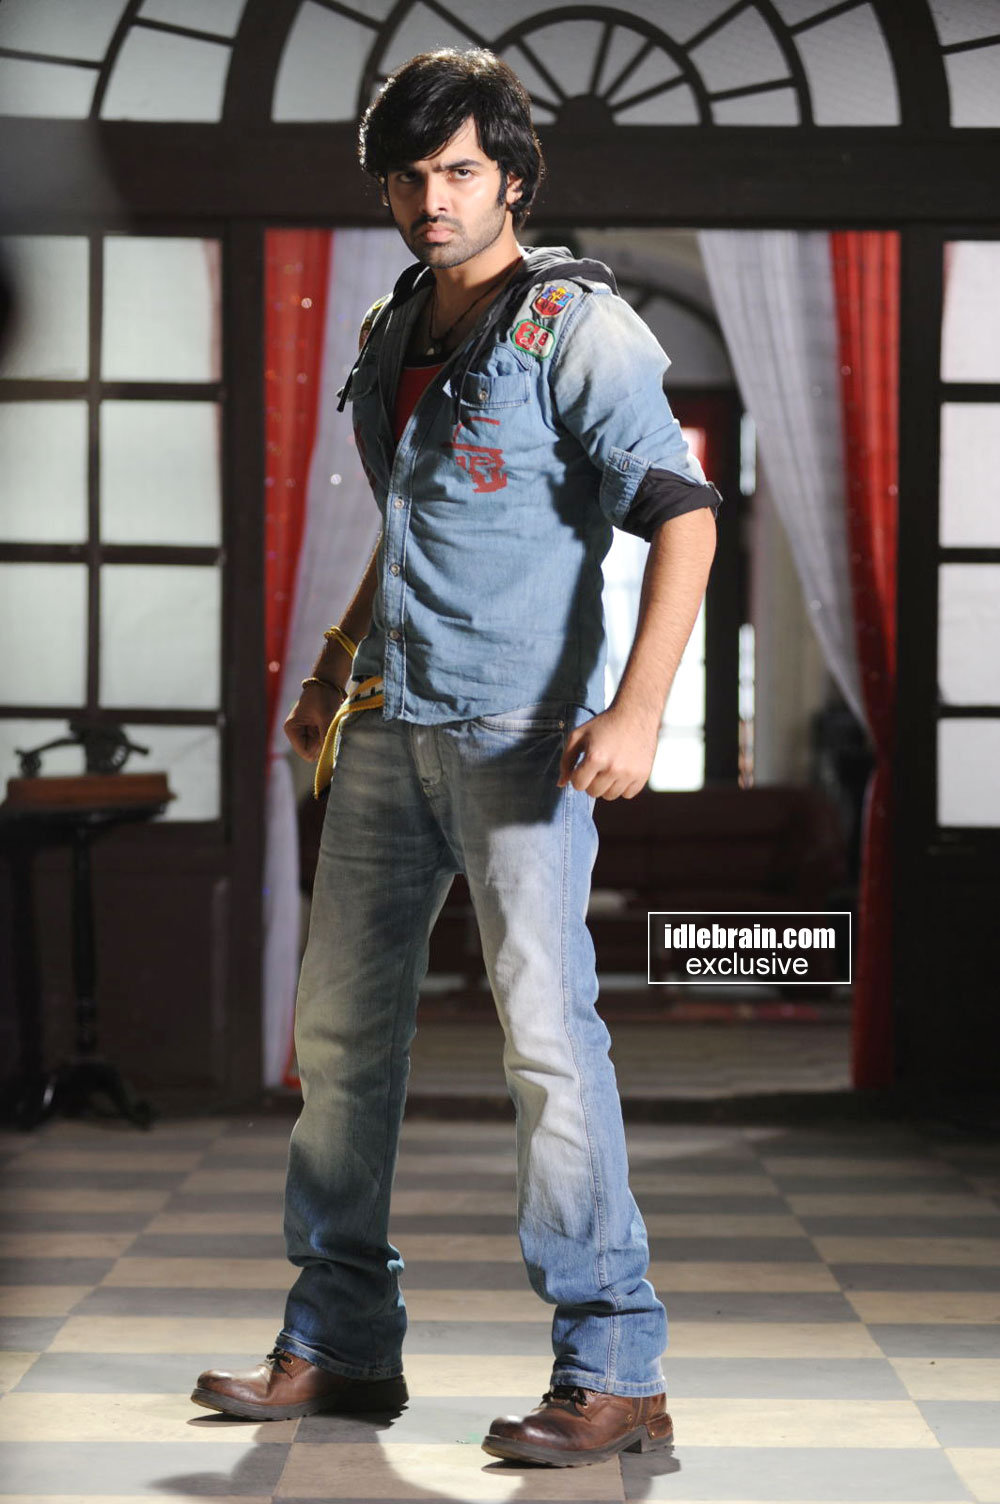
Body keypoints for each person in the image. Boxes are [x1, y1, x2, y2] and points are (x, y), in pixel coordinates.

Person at [192, 46, 719, 1468]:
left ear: (512, 180)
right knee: (341, 1040)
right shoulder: (390, 326)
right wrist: (330, 667)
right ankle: (340, 1341)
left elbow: (683, 515)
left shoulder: (578, 327)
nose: (434, 197)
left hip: (522, 740)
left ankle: (614, 1366)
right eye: (412, 174)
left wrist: (639, 711)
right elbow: (416, 525)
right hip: (385, 727)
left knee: (547, 1042)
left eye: (461, 171)